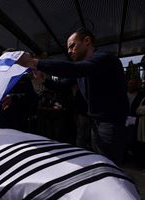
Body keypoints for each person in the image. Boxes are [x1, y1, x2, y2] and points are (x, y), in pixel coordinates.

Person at [17, 28, 129, 165]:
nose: (69, 51)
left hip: (110, 122)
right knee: (100, 159)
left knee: (110, 163)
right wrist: (43, 80)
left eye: (72, 46)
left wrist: (35, 62)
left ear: (87, 41)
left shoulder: (105, 58)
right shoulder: (82, 69)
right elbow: (61, 85)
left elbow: (75, 69)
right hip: (95, 121)